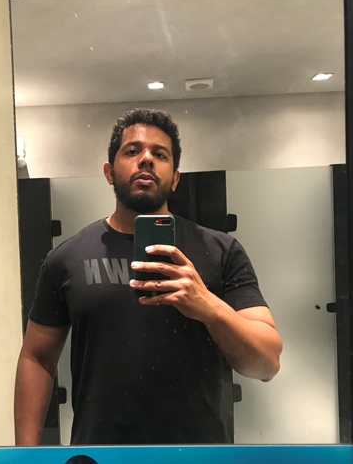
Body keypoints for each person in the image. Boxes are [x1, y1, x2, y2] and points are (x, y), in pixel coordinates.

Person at [14, 108, 282, 446]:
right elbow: (37, 357)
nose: (146, 159)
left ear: (175, 178)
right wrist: (25, 457)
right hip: (100, 453)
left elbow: (266, 364)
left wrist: (210, 308)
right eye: (132, 151)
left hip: (198, 455)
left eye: (160, 154)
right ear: (109, 172)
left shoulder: (220, 251)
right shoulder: (67, 258)